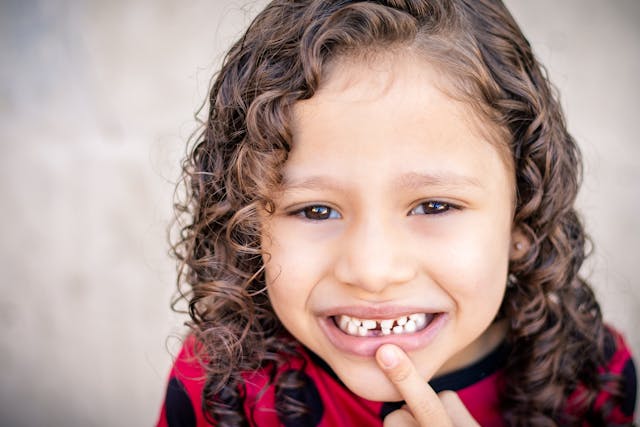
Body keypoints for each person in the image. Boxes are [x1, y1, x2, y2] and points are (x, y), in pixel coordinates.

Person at [157, 0, 637, 425]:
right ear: (248, 223)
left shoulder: (588, 381)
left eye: (434, 206)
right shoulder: (220, 387)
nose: (372, 272)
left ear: (522, 216)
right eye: (316, 210)